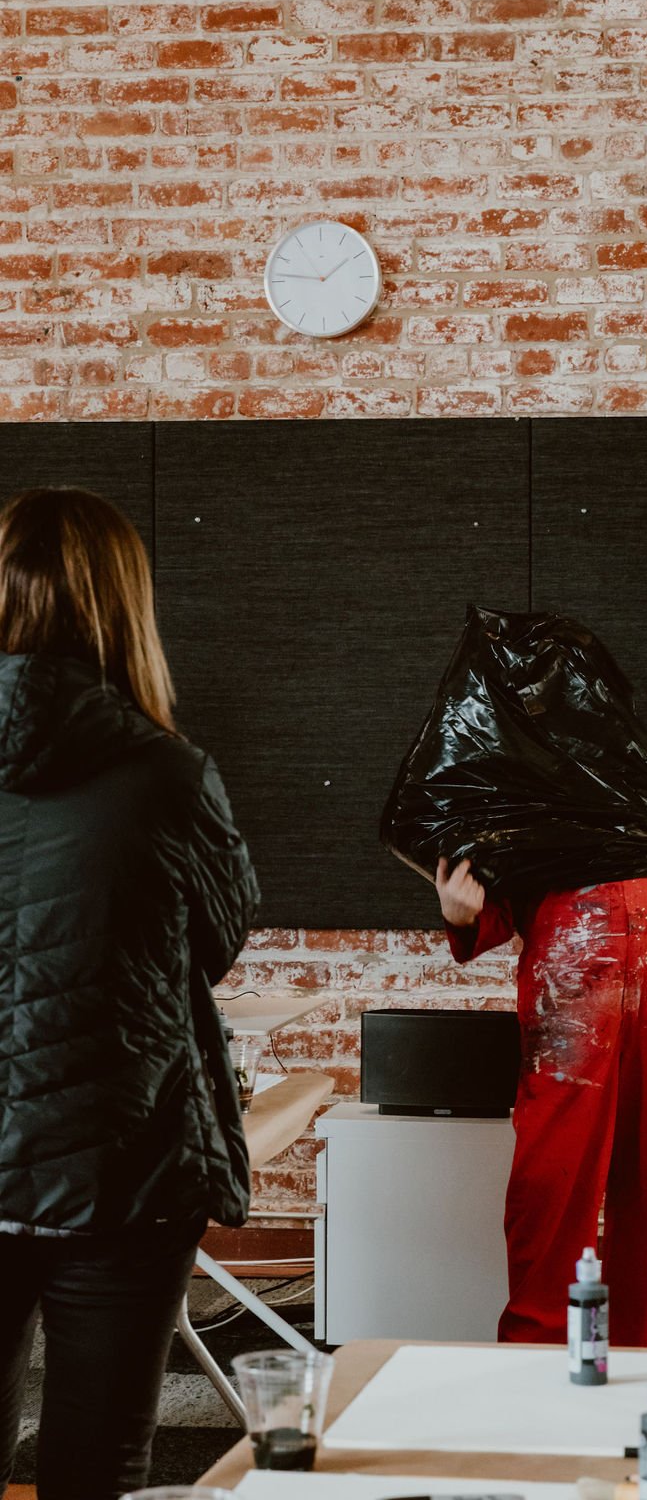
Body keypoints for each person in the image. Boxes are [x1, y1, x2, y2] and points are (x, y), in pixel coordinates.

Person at [0, 488, 259, 1500]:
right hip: (124, 1167)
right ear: (124, 607)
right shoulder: (167, 774)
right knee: (97, 1468)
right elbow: (217, 939)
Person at [437, 845, 647, 1347]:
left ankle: (630, 1350)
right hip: (571, 998)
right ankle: (536, 1352)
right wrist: (463, 912)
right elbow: (493, 904)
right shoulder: (535, 804)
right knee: (551, 1188)